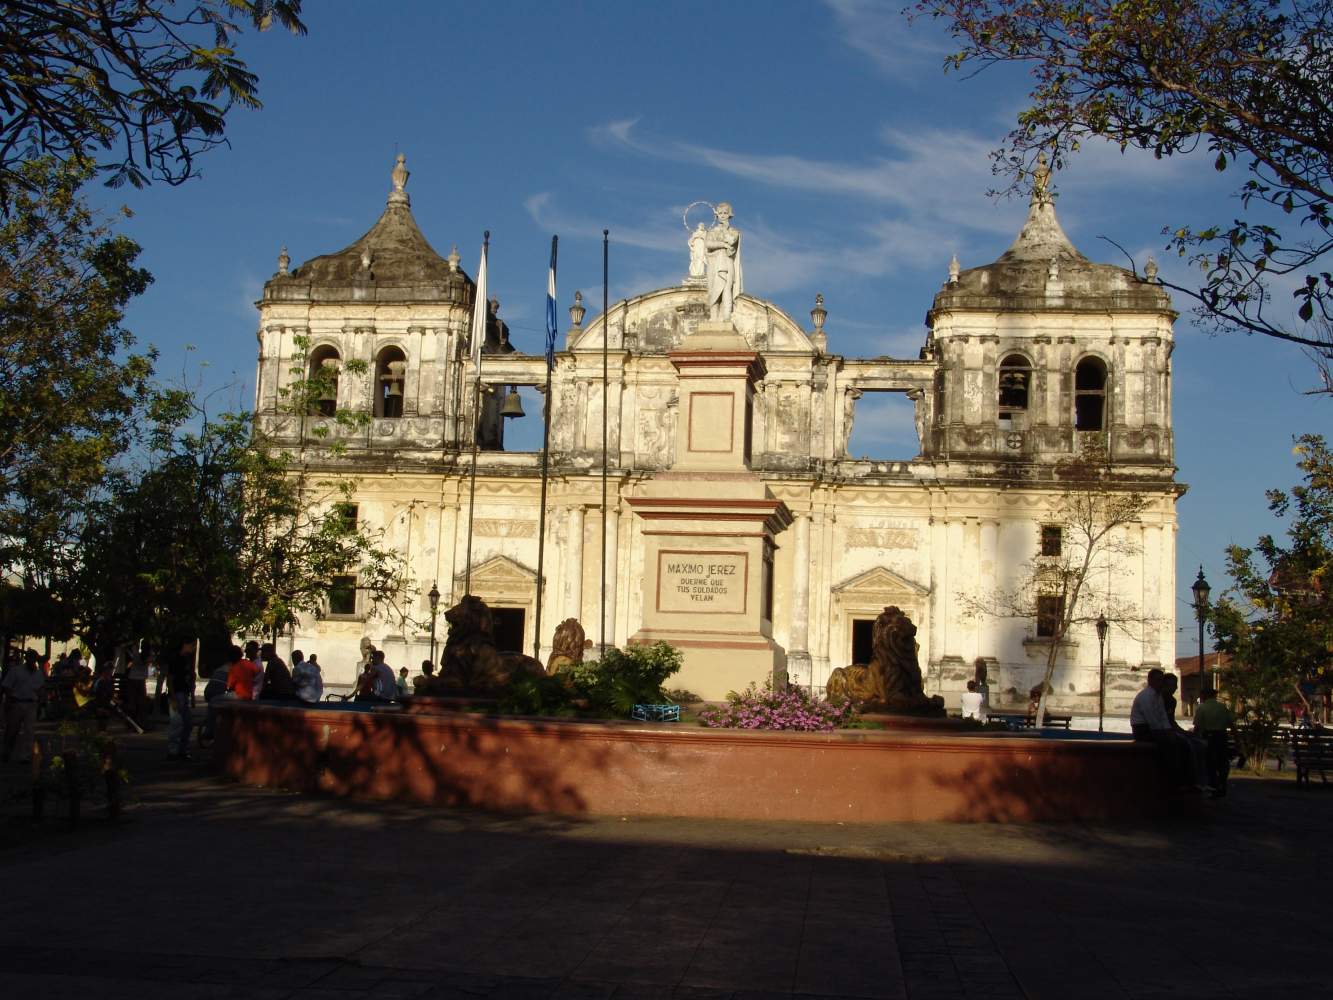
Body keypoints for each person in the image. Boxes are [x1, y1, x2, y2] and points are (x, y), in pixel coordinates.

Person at [2, 649, 45, 763]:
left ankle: (25, 755)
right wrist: (9, 701)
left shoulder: (38, 673)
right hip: (17, 702)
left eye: (34, 659)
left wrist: (41, 704)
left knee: (29, 731)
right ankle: (7, 751)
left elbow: (40, 689)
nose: (33, 661)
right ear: (27, 659)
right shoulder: (16, 671)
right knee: (12, 730)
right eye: (31, 658)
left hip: (31, 704)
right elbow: (7, 687)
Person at [1194, 687, 1235, 798]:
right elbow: (1231, 723)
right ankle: (1222, 783)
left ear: (1204, 696)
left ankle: (1213, 785)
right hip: (1222, 736)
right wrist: (1236, 737)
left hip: (1208, 737)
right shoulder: (1222, 707)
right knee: (1222, 761)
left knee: (1209, 762)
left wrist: (1194, 737)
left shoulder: (1202, 708)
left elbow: (1197, 726)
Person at [165, 637, 198, 760]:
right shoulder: (176, 659)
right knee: (177, 723)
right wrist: (173, 697)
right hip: (177, 693)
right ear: (184, 645)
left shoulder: (186, 660)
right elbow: (170, 679)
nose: (193, 648)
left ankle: (182, 749)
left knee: (187, 723)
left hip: (184, 693)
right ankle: (173, 750)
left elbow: (189, 678)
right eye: (192, 645)